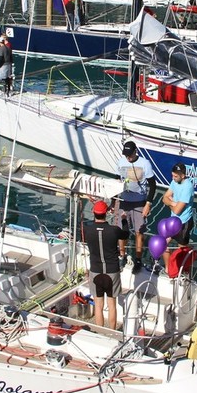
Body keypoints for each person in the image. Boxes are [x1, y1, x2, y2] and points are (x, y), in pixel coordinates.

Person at [82, 200, 129, 330]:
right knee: (112, 304)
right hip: (111, 271)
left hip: (96, 270)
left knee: (98, 304)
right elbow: (126, 234)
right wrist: (124, 220)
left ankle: (100, 331)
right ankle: (112, 332)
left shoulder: (88, 230)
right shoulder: (114, 230)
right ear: (106, 213)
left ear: (94, 213)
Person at [115, 140, 156, 273]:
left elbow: (153, 185)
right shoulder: (121, 162)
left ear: (135, 152)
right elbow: (116, 181)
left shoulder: (145, 164)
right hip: (123, 201)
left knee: (139, 231)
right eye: (126, 155)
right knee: (122, 231)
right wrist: (112, 201)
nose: (128, 157)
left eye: (130, 155)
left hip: (139, 202)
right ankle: (122, 255)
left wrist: (148, 204)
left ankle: (138, 259)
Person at [161, 162, 194, 269]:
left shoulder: (187, 187)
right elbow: (164, 197)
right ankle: (168, 268)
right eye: (172, 175)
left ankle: (183, 271)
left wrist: (170, 202)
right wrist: (173, 203)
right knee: (162, 244)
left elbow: (177, 210)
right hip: (172, 221)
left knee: (182, 251)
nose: (173, 178)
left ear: (183, 175)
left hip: (183, 222)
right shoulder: (174, 182)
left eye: (175, 176)